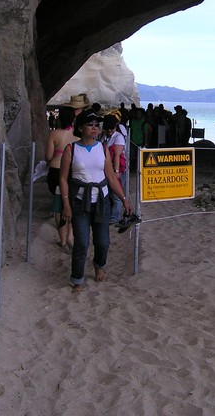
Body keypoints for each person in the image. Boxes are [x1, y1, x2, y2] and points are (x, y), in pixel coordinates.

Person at [59, 109, 133, 292]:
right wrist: (66, 205)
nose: (94, 128)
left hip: (102, 200)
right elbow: (63, 178)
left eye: (96, 125)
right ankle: (77, 279)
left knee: (102, 242)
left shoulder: (102, 148)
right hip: (79, 202)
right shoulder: (71, 149)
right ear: (80, 127)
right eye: (90, 124)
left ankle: (99, 265)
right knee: (82, 242)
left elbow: (111, 176)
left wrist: (124, 199)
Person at [45, 106, 80, 248]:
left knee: (58, 206)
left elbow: (48, 156)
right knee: (71, 204)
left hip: (55, 170)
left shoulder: (54, 135)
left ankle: (63, 240)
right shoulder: (77, 136)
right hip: (71, 172)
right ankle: (70, 235)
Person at [99, 114, 127, 224]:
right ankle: (110, 213)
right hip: (105, 167)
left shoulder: (118, 137)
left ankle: (115, 216)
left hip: (117, 168)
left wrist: (116, 171)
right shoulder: (103, 136)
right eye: (108, 128)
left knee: (116, 193)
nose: (110, 130)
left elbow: (117, 155)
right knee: (108, 192)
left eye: (112, 128)